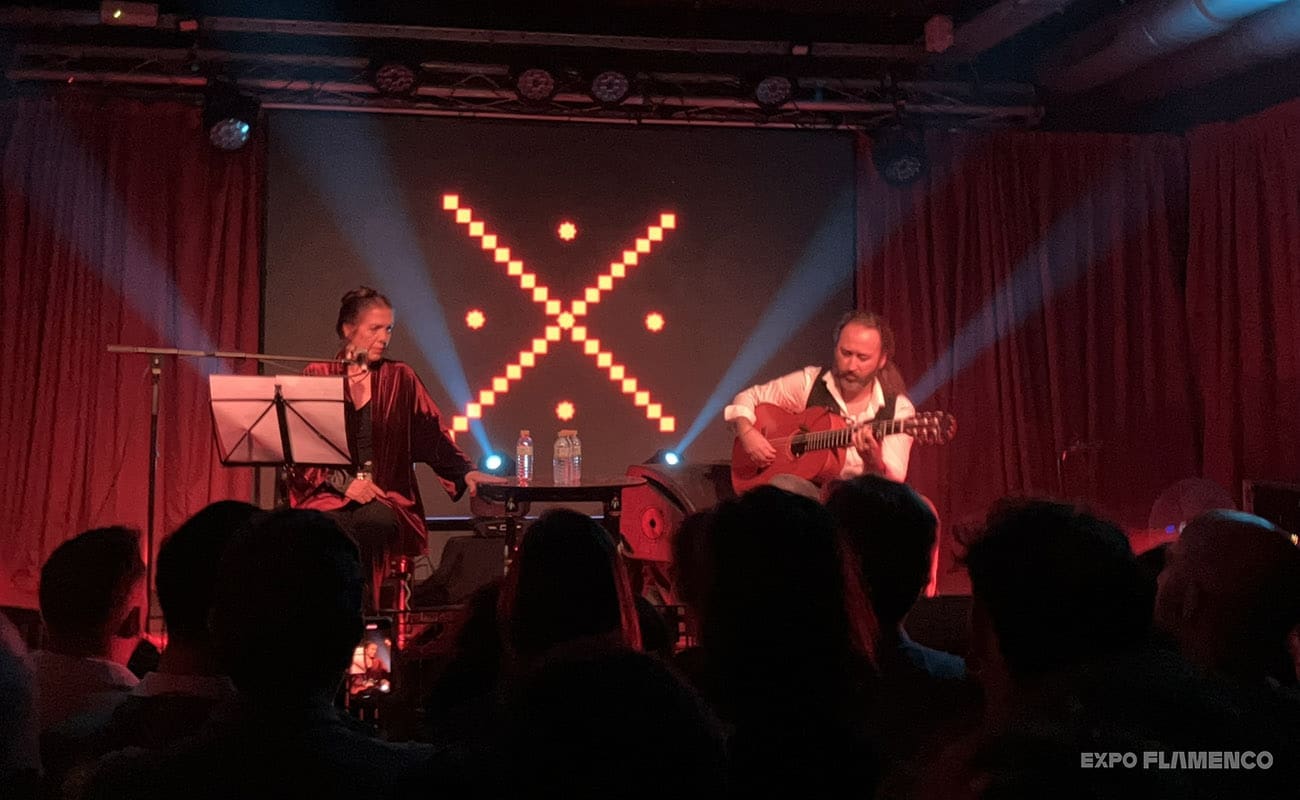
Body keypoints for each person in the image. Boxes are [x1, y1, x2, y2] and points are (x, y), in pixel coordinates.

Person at [287, 287, 504, 610]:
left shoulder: (401, 378)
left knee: (376, 523)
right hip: (329, 492)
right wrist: (347, 486)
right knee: (322, 527)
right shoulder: (316, 375)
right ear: (348, 329)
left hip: (386, 494)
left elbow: (432, 434)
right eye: (375, 328)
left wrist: (466, 471)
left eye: (388, 328)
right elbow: (301, 452)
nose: (384, 338)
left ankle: (366, 618)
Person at [725, 310, 915, 484]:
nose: (851, 366)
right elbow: (749, 396)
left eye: (862, 358)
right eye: (845, 353)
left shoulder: (899, 409)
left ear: (882, 360)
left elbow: (893, 483)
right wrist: (747, 432)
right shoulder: (810, 382)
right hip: (806, 501)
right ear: (835, 348)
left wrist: (872, 461)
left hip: (859, 505)